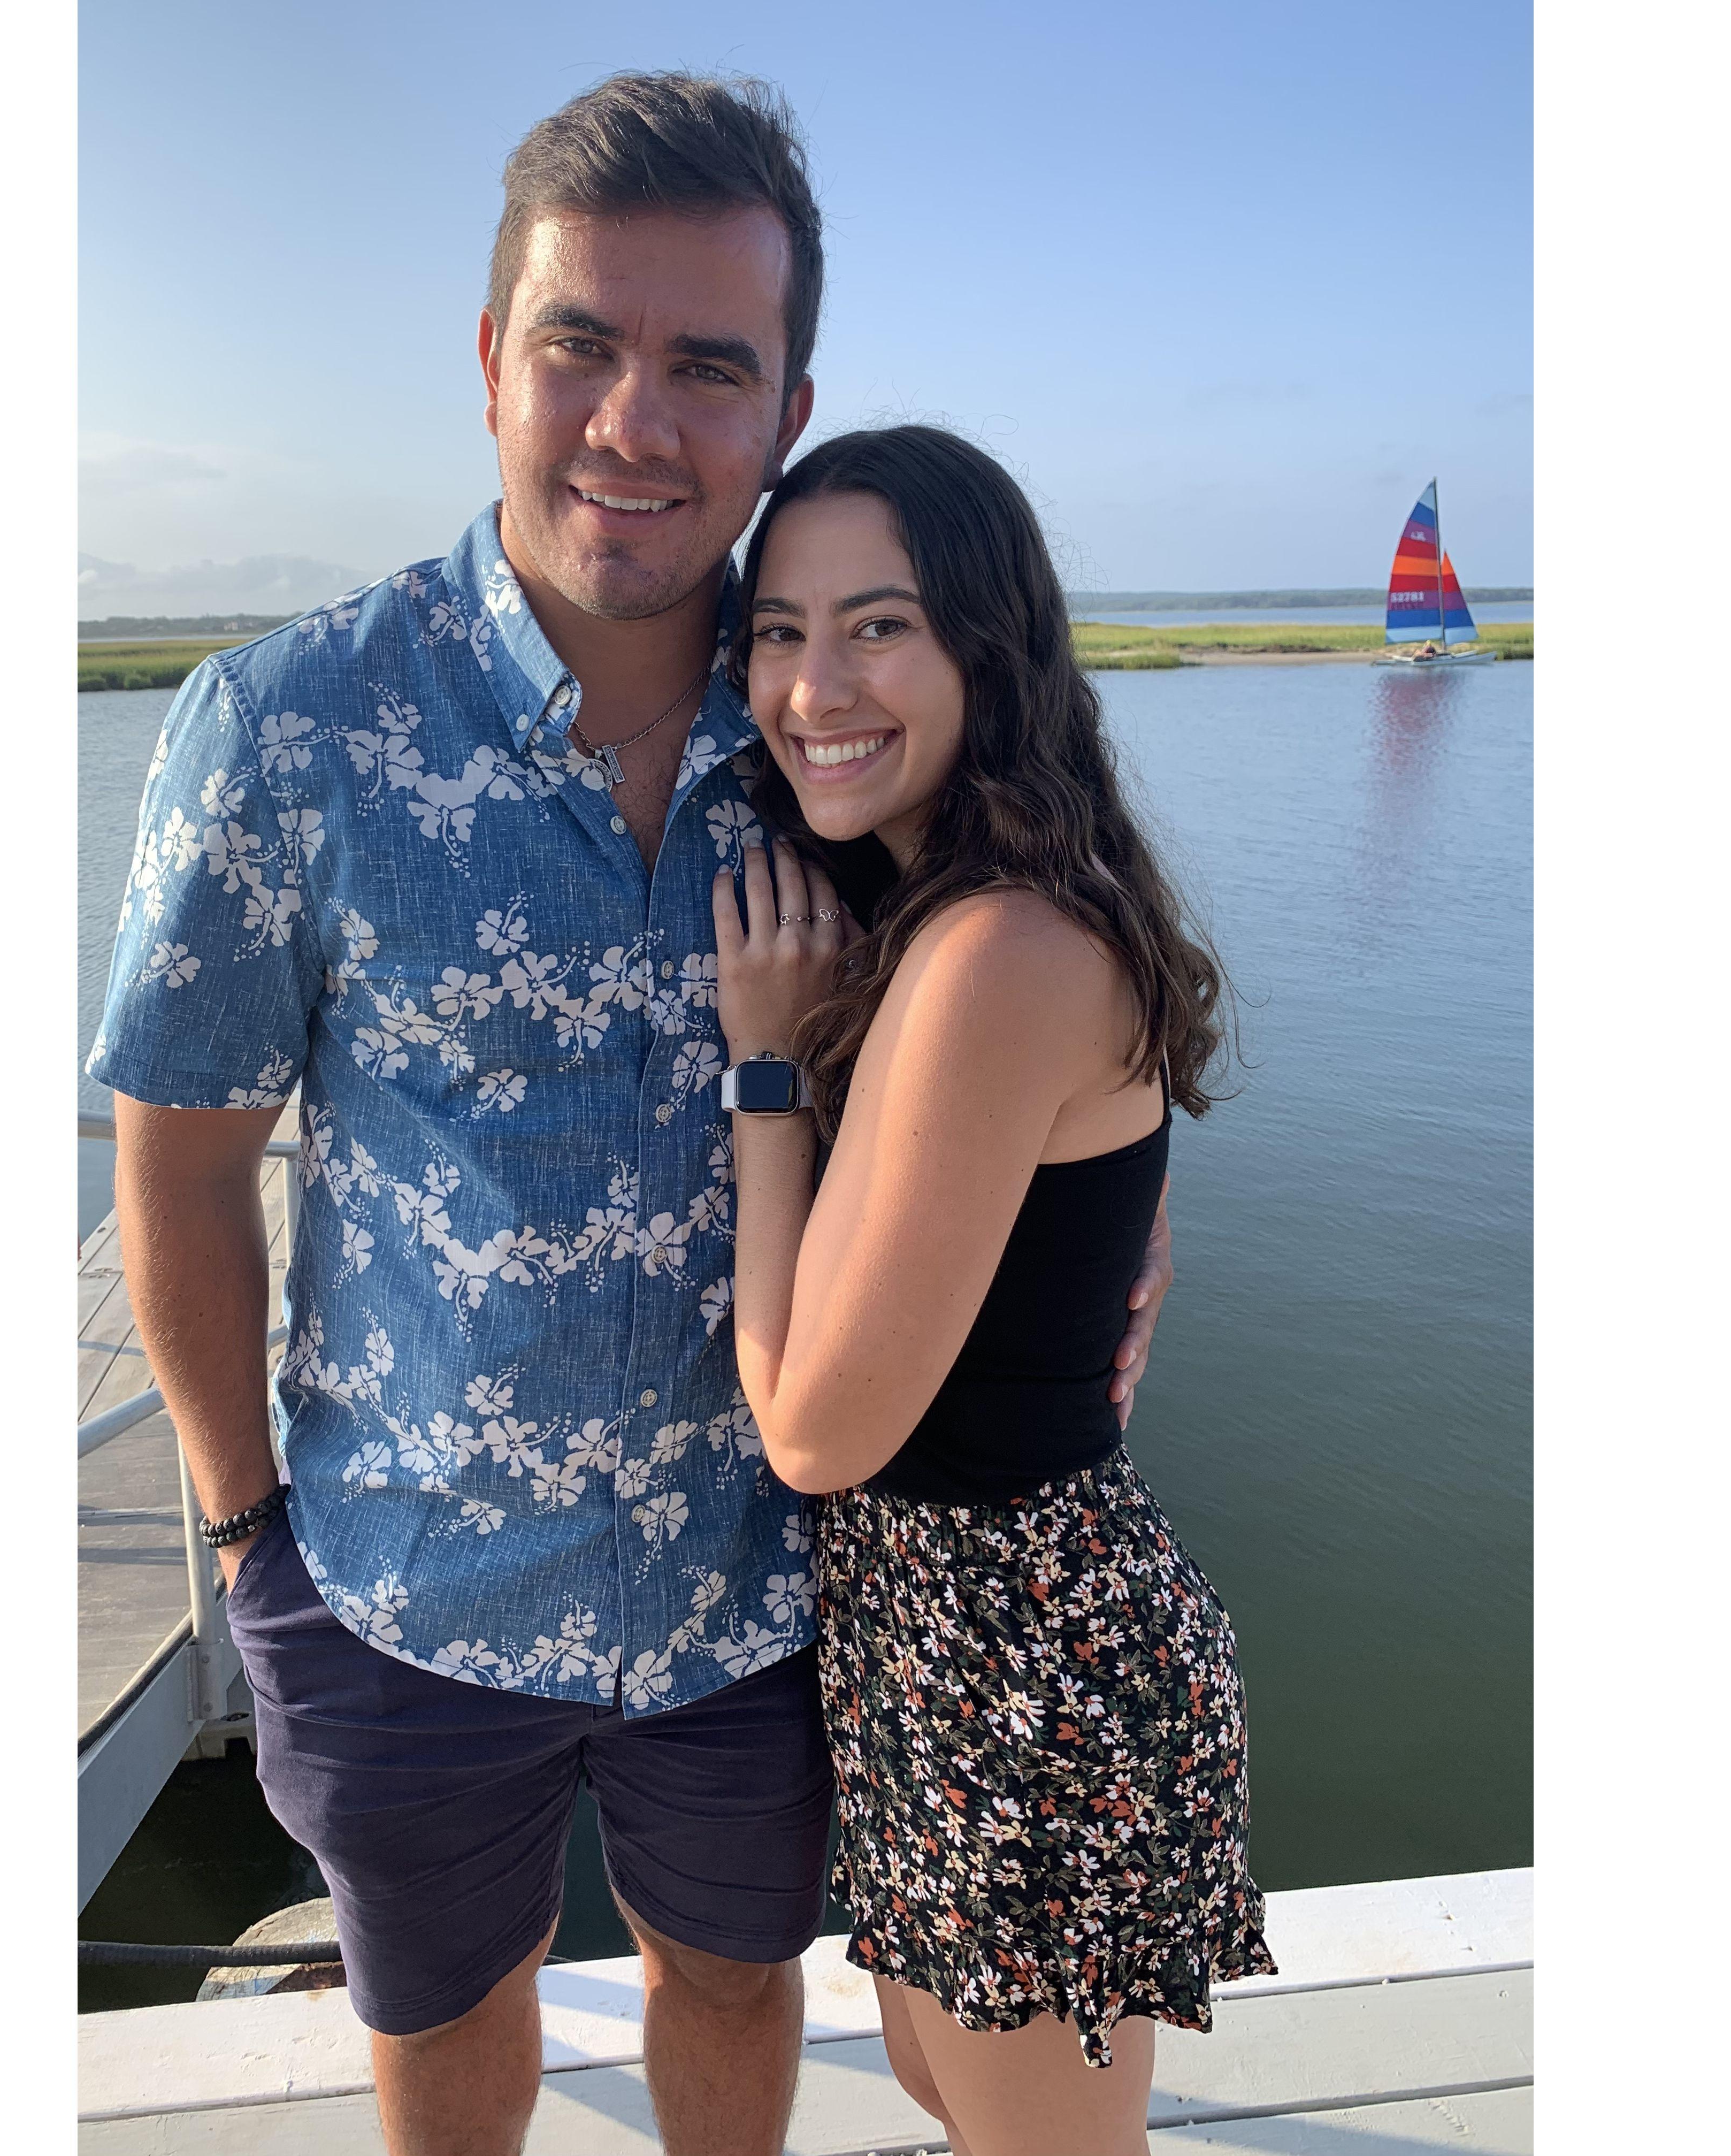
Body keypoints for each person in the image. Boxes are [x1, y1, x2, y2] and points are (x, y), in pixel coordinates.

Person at [88, 75, 1173, 2156]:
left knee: (738, 1989)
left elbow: (1047, 998)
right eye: (581, 343)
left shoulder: (840, 723)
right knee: (445, 2028)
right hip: (401, 1592)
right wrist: (247, 1544)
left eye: (711, 366)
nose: (636, 421)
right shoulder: (290, 730)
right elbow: (185, 1161)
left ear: (788, 406)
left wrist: (1119, 1250)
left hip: (768, 1599)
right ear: (494, 358)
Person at [710, 425, 1273, 2156]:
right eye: (780, 633)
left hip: (1026, 1658)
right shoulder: (950, 917)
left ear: (988, 649)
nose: (814, 688)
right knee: (951, 2091)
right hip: (938, 1637)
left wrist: (763, 1076)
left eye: (878, 626)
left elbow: (813, 1432)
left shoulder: (993, 949)